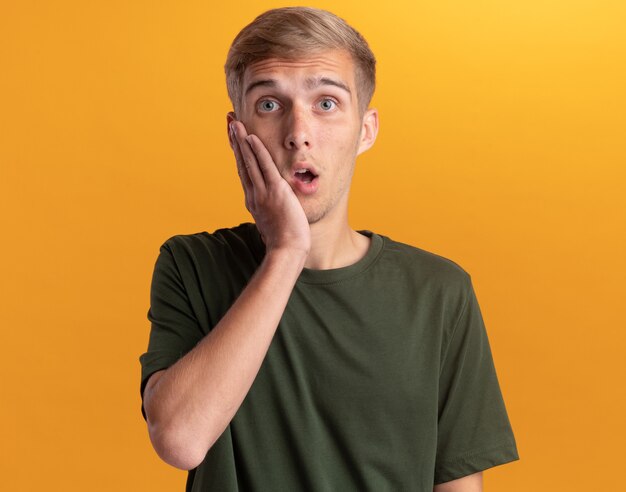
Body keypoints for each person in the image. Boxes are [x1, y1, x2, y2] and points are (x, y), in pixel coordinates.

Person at [139, 7, 519, 491]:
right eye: (270, 105)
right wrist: (285, 251)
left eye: (326, 103)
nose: (299, 132)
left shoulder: (440, 292)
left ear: (366, 130)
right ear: (238, 133)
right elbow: (180, 439)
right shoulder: (192, 265)